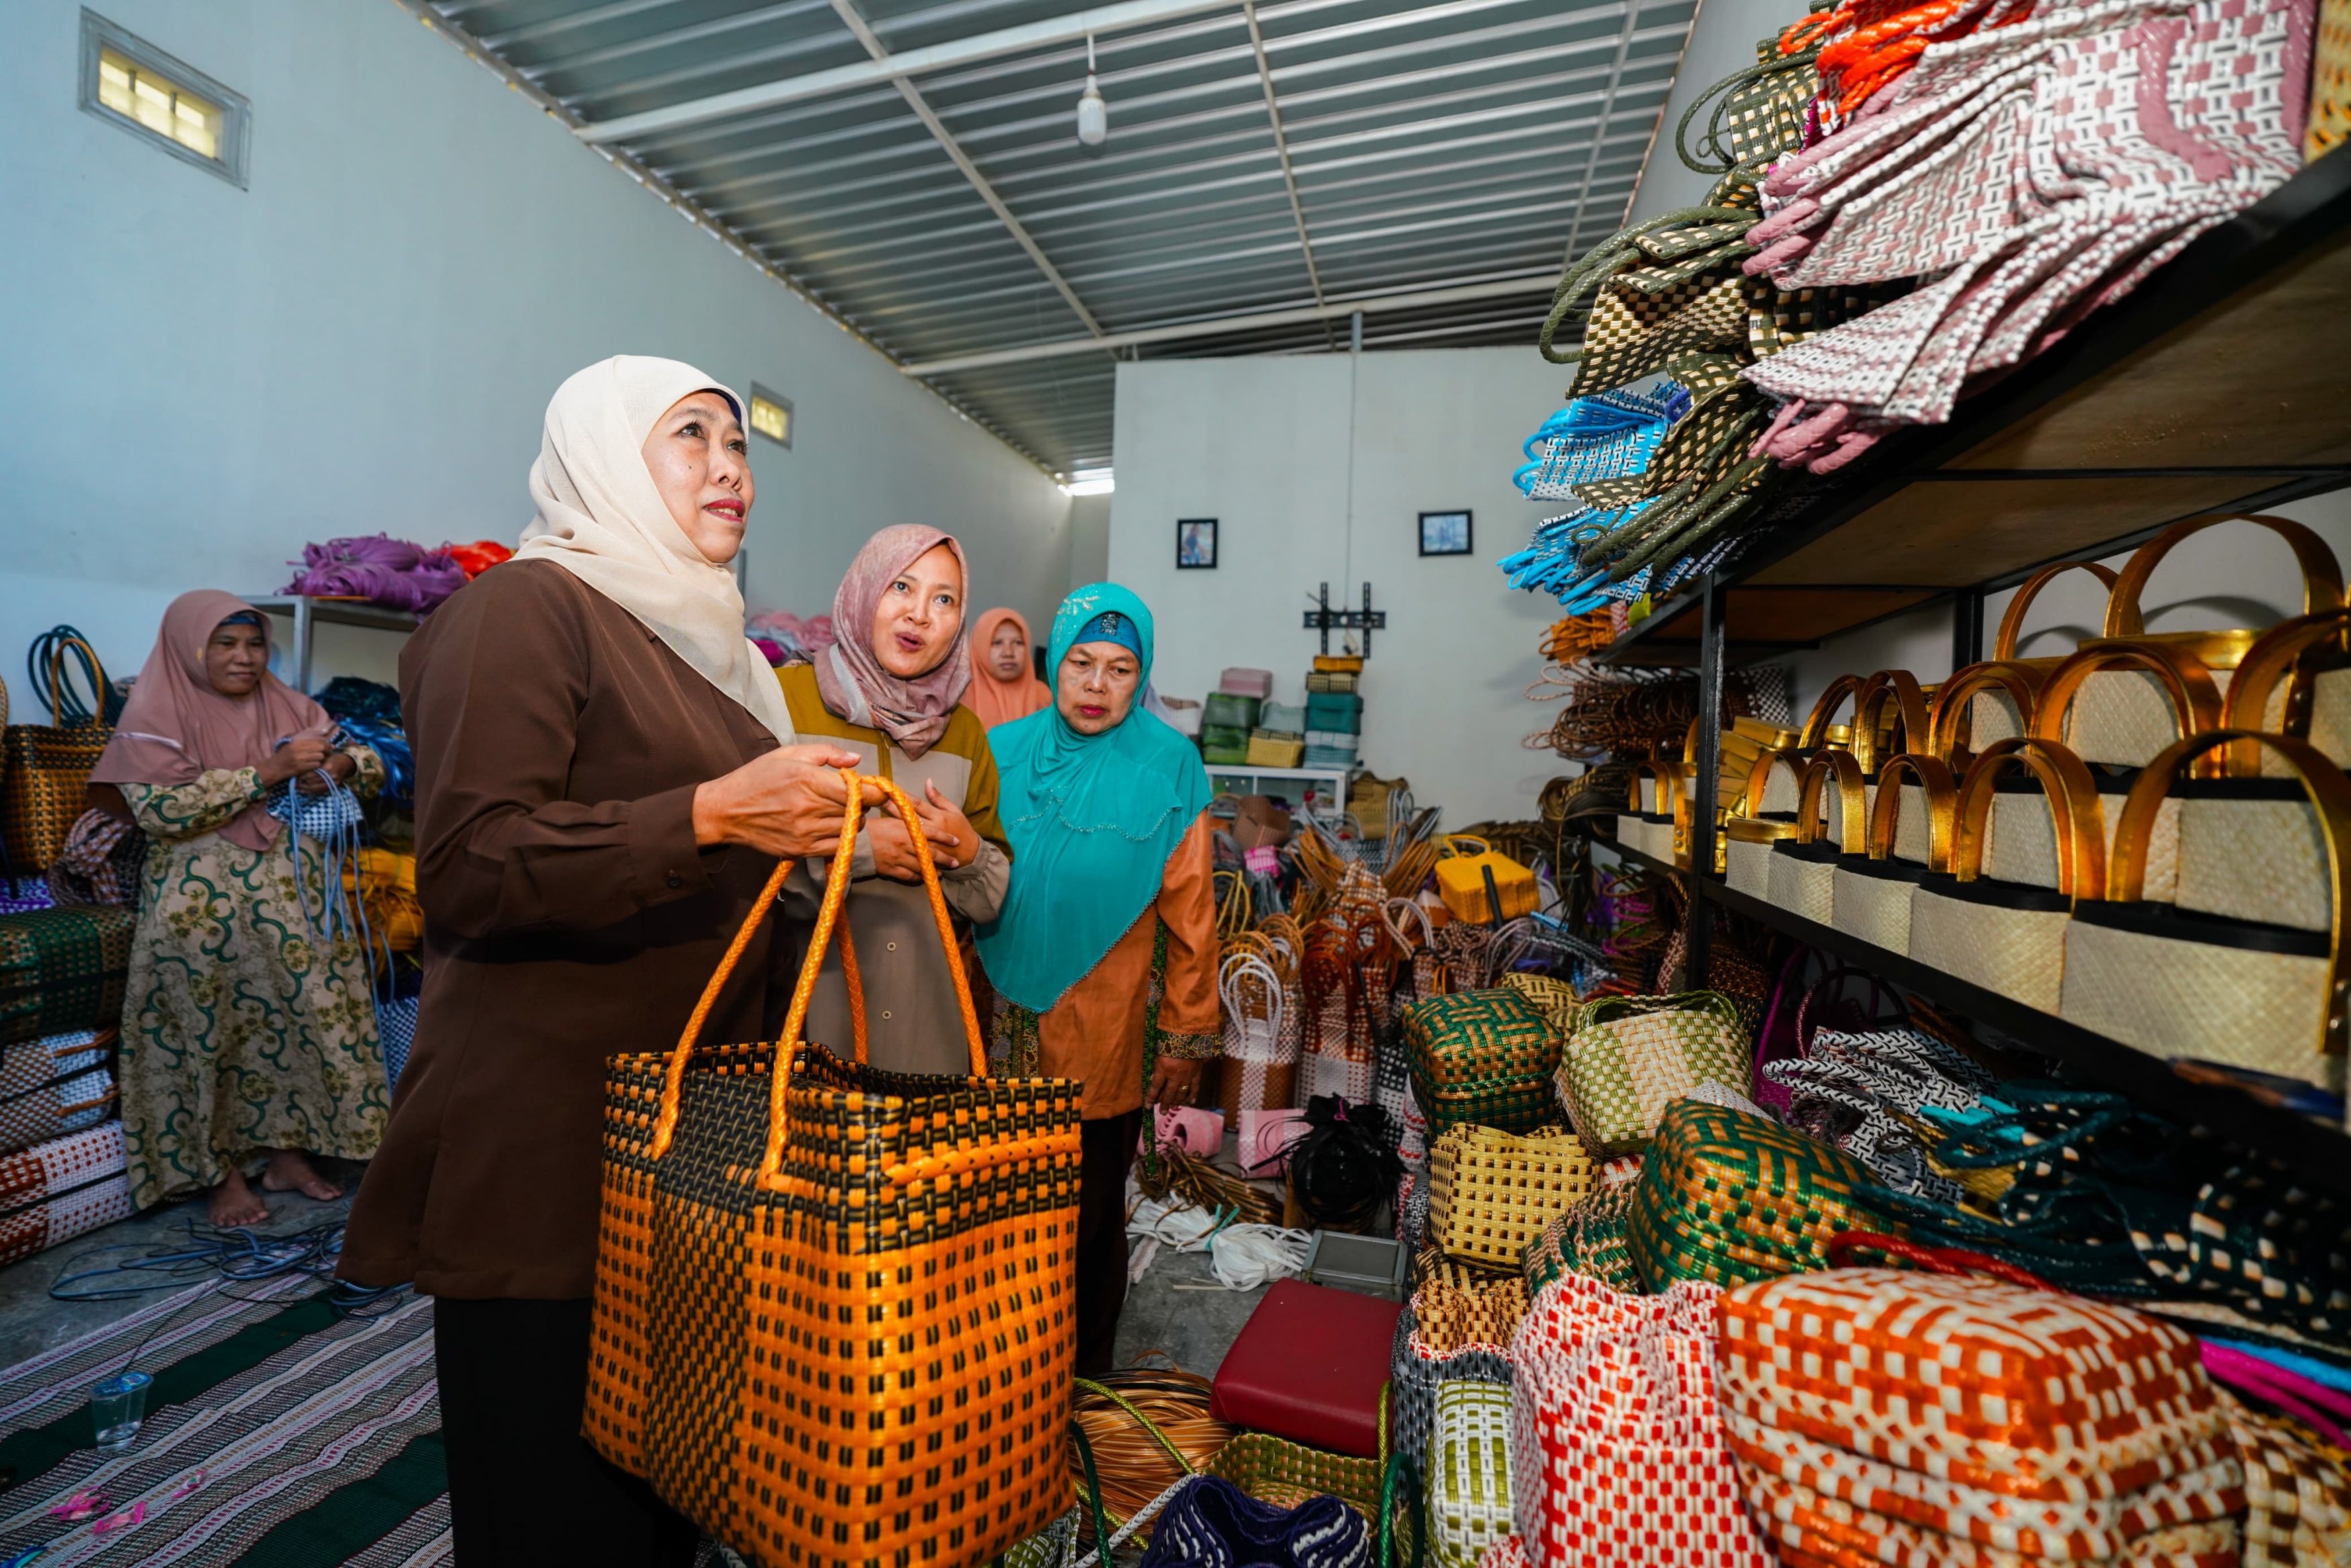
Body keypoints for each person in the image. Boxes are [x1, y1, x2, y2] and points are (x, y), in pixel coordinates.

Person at [339, 356, 872, 1567]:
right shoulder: (527, 609)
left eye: (739, 445)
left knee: (658, 1506)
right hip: (550, 1157)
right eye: (690, 436)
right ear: (600, 452)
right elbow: (472, 863)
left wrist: (861, 843)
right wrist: (712, 818)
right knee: (552, 1515)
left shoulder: (720, 656)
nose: (729, 466)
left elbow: (737, 864)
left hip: (682, 1158)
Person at [975, 583, 1219, 1377]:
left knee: (1085, 1221)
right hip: (991, 1021)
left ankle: (1079, 1382)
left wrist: (1185, 1032)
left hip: (1102, 1030)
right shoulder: (1000, 750)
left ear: (1141, 673)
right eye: (1080, 662)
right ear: (1057, 661)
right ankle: (989, 1371)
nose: (1095, 685)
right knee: (988, 1210)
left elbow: (1192, 916)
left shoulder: (1168, 765)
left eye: (1120, 668)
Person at [93, 592, 390, 1228]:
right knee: (208, 1035)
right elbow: (158, 810)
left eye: (254, 643)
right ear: (189, 648)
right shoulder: (155, 712)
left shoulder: (289, 703)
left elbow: (365, 760)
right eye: (224, 644)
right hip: (201, 912)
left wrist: (337, 764)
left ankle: (287, 1155)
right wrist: (267, 771)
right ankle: (220, 1175)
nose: (244, 657)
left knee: (295, 1024)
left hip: (293, 905)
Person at [776, 525, 1010, 1072]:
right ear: (864, 590)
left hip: (929, 1034)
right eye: (901, 587)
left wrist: (969, 852)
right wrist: (860, 853)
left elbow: (992, 896)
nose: (920, 615)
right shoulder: (786, 702)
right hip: (808, 1031)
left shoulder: (967, 735)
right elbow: (740, 866)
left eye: (944, 599)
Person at [966, 606, 1051, 728]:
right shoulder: (959, 697)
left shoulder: (1043, 696)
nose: (1008, 653)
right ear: (979, 647)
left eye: (1018, 642)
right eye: (997, 643)